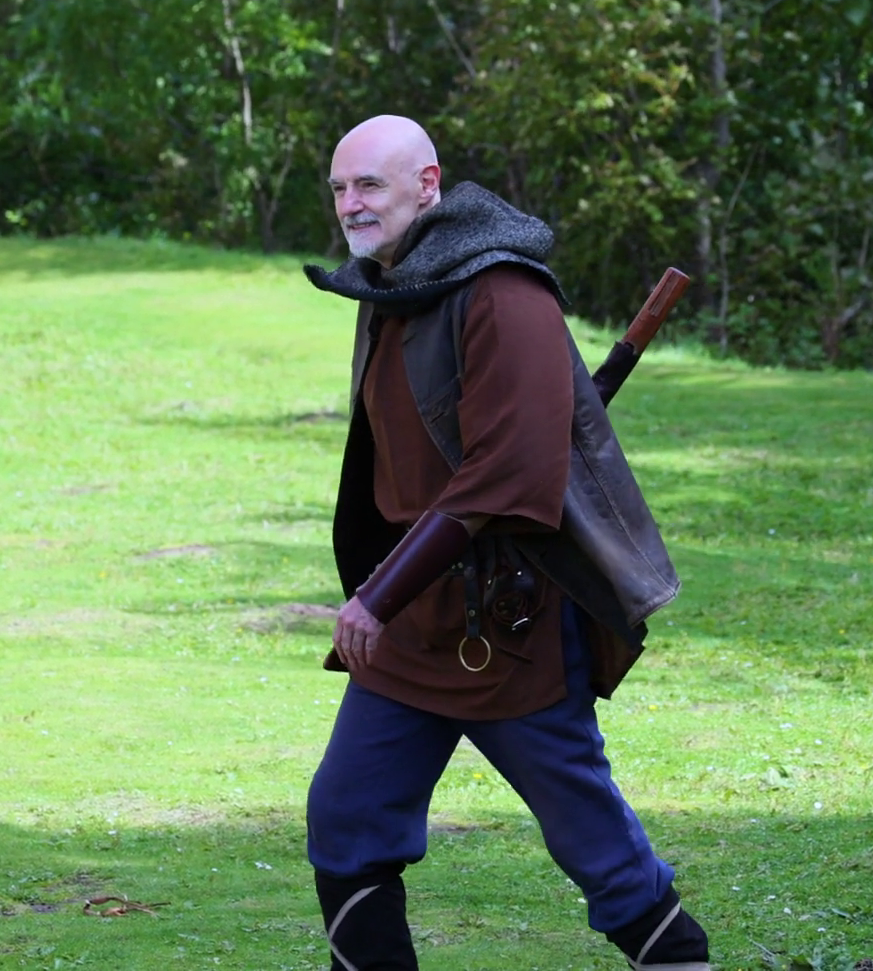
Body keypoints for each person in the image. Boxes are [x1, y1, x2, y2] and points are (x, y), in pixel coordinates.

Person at [301, 114, 712, 971]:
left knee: (597, 851)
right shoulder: (391, 286)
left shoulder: (505, 292)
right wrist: (389, 597)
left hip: (510, 623)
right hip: (413, 628)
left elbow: (510, 474)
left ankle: (681, 960)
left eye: (368, 183)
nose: (350, 203)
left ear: (427, 184)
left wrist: (375, 598)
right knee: (347, 821)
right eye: (339, 187)